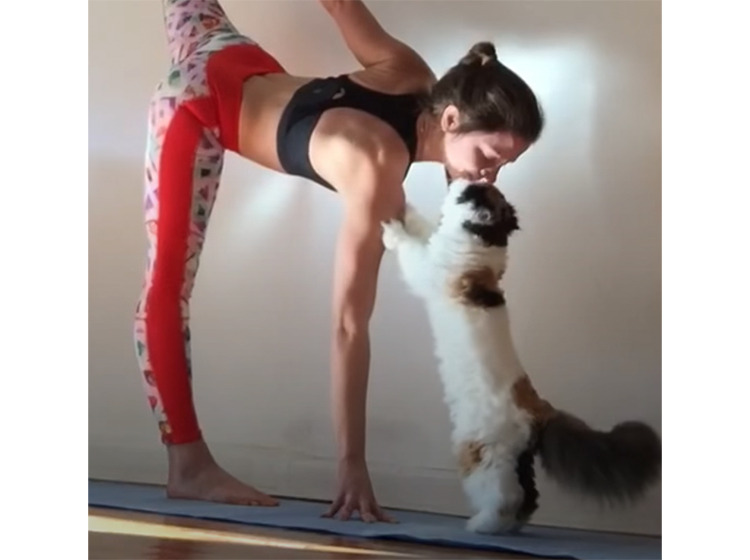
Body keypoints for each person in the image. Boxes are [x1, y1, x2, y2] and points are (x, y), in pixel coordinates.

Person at [133, 0, 544, 524]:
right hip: (196, 107)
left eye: (505, 165)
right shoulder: (377, 169)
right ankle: (187, 464)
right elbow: (349, 325)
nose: (491, 177)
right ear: (450, 119)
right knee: (166, 286)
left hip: (226, 53)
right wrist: (352, 463)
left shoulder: (411, 73)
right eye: (489, 156)